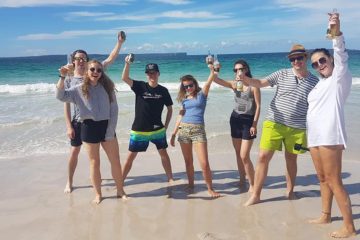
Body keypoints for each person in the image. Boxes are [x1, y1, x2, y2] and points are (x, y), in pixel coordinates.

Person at [242, 44, 319, 206]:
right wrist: (246, 80)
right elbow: (261, 82)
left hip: (297, 127)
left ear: (306, 58)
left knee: (291, 160)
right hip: (274, 122)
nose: (296, 61)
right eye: (293, 59)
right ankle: (256, 194)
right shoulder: (282, 73)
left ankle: (290, 192)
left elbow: (317, 107)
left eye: (299, 58)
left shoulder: (314, 81)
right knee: (263, 157)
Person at [307, 13, 356, 238]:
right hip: (315, 138)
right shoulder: (320, 84)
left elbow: (341, 54)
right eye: (315, 64)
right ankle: (326, 215)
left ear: (330, 60)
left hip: (330, 136)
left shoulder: (339, 77)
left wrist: (335, 31)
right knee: (322, 178)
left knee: (334, 180)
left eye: (322, 61)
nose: (319, 65)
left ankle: (348, 226)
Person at [57, 59, 126, 204]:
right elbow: (60, 96)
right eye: (93, 69)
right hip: (88, 128)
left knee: (115, 161)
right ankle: (98, 194)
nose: (96, 72)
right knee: (94, 162)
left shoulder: (107, 87)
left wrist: (110, 130)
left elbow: (114, 110)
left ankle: (120, 191)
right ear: (87, 71)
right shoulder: (78, 88)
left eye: (99, 70)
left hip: (107, 126)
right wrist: (62, 77)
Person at [121, 57, 174, 184]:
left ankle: (170, 178)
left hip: (157, 129)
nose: (152, 75)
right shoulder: (140, 86)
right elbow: (124, 78)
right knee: (130, 156)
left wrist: (165, 126)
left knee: (164, 154)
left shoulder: (163, 91)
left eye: (154, 73)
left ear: (158, 74)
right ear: (146, 74)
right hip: (139, 129)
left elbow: (170, 109)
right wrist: (127, 64)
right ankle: (120, 180)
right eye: (149, 73)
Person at [170, 65, 220, 197]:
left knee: (204, 163)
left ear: (194, 84)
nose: (188, 88)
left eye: (190, 85)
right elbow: (180, 116)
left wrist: (212, 70)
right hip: (184, 131)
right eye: (185, 86)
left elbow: (209, 81)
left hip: (198, 131)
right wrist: (174, 133)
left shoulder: (202, 95)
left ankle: (210, 188)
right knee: (188, 162)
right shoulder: (184, 100)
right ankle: (191, 185)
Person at [213, 59, 261, 191]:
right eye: (236, 70)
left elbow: (258, 107)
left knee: (244, 155)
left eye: (240, 69)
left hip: (248, 122)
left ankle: (252, 184)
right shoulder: (236, 85)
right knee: (238, 153)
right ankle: (242, 179)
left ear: (246, 69)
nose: (238, 72)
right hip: (235, 119)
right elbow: (215, 80)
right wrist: (215, 69)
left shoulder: (254, 85)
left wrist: (254, 124)